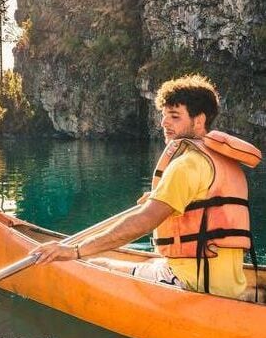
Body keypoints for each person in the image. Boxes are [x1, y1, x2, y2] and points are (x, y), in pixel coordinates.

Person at [31, 74, 261, 299]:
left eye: (174, 116)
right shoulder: (226, 163)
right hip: (227, 283)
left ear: (199, 120)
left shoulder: (186, 165)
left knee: (94, 262)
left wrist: (75, 251)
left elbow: (144, 221)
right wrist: (161, 198)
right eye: (164, 116)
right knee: (151, 262)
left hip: (192, 283)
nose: (164, 123)